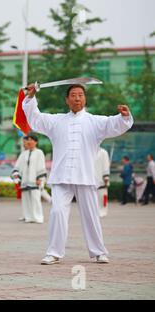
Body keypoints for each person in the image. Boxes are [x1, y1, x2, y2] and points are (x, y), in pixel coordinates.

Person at [23, 83, 133, 265]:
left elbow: (115, 124)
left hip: (85, 176)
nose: (77, 98)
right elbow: (35, 118)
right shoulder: (56, 121)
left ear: (85, 98)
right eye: (73, 95)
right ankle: (54, 252)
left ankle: (99, 251)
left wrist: (124, 116)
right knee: (57, 212)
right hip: (61, 177)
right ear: (67, 100)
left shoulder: (95, 122)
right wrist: (31, 97)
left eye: (80, 95)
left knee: (91, 215)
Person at [12, 134, 47, 224]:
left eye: (31, 140)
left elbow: (41, 165)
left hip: (35, 180)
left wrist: (40, 178)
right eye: (28, 140)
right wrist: (16, 175)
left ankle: (38, 217)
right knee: (26, 200)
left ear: (36, 142)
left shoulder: (39, 152)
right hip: (25, 181)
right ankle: (29, 217)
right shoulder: (24, 154)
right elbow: (18, 166)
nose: (29, 141)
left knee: (36, 199)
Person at [95, 147, 110, 217]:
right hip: (93, 180)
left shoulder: (103, 152)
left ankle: (103, 211)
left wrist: (106, 177)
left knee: (103, 197)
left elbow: (106, 166)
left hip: (102, 180)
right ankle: (96, 212)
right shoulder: (90, 151)